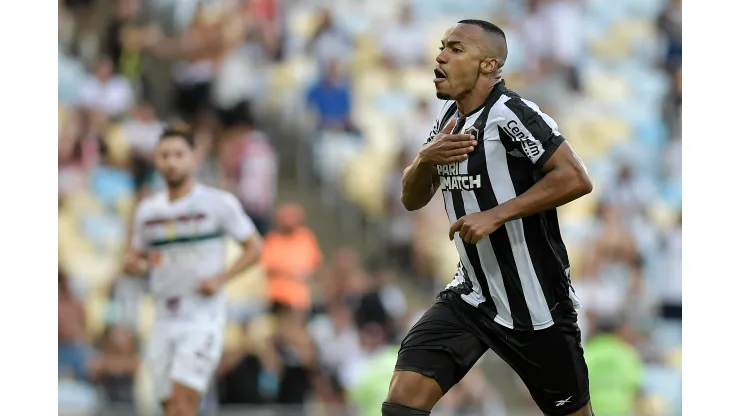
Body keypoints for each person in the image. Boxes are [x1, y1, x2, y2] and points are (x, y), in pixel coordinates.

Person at [384, 20, 594, 416]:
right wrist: (425, 158)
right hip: (473, 295)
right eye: (442, 46)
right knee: (402, 400)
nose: (440, 56)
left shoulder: (512, 113)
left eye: (456, 49)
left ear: (488, 64)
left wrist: (496, 214)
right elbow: (412, 200)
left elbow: (576, 177)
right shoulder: (449, 120)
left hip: (535, 304)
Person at [124, 127, 263, 416]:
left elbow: (255, 248)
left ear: (193, 159)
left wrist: (220, 278)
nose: (171, 162)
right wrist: (133, 264)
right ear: (156, 160)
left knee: (182, 404)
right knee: (170, 408)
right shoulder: (148, 212)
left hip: (201, 316)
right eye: (165, 155)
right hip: (161, 316)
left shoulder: (217, 203)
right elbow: (135, 257)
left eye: (178, 155)